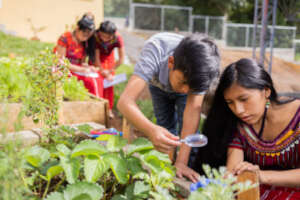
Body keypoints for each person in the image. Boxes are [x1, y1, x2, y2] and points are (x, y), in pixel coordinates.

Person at [117, 32, 220, 182]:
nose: (185, 90)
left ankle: (184, 170)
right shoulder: (156, 49)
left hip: (184, 79)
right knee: (164, 127)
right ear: (171, 62)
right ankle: (165, 169)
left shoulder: (201, 72)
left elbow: (191, 115)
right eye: (182, 82)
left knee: (189, 141)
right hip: (158, 86)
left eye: (190, 87)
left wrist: (182, 162)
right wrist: (151, 130)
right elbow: (125, 101)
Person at [195, 58, 300, 199]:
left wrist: (262, 176)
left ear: (266, 91)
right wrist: (232, 177)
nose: (238, 110)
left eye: (244, 99)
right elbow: (234, 171)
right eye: (230, 103)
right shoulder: (240, 125)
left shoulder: (297, 115)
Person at [54, 13, 103, 98]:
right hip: (63, 70)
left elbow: (82, 62)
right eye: (84, 34)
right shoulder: (65, 38)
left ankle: (96, 103)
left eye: (88, 35)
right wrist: (81, 69)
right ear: (77, 28)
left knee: (98, 78)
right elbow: (60, 62)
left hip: (76, 70)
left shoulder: (84, 42)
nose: (86, 37)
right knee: (90, 81)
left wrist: (87, 67)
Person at [88, 20, 124, 118]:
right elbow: (96, 57)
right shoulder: (95, 36)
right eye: (102, 35)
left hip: (109, 58)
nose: (104, 39)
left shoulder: (118, 39)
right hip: (97, 59)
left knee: (109, 83)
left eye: (107, 37)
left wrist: (110, 71)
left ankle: (108, 109)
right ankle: (96, 107)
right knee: (97, 80)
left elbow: (121, 59)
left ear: (113, 35)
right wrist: (102, 71)